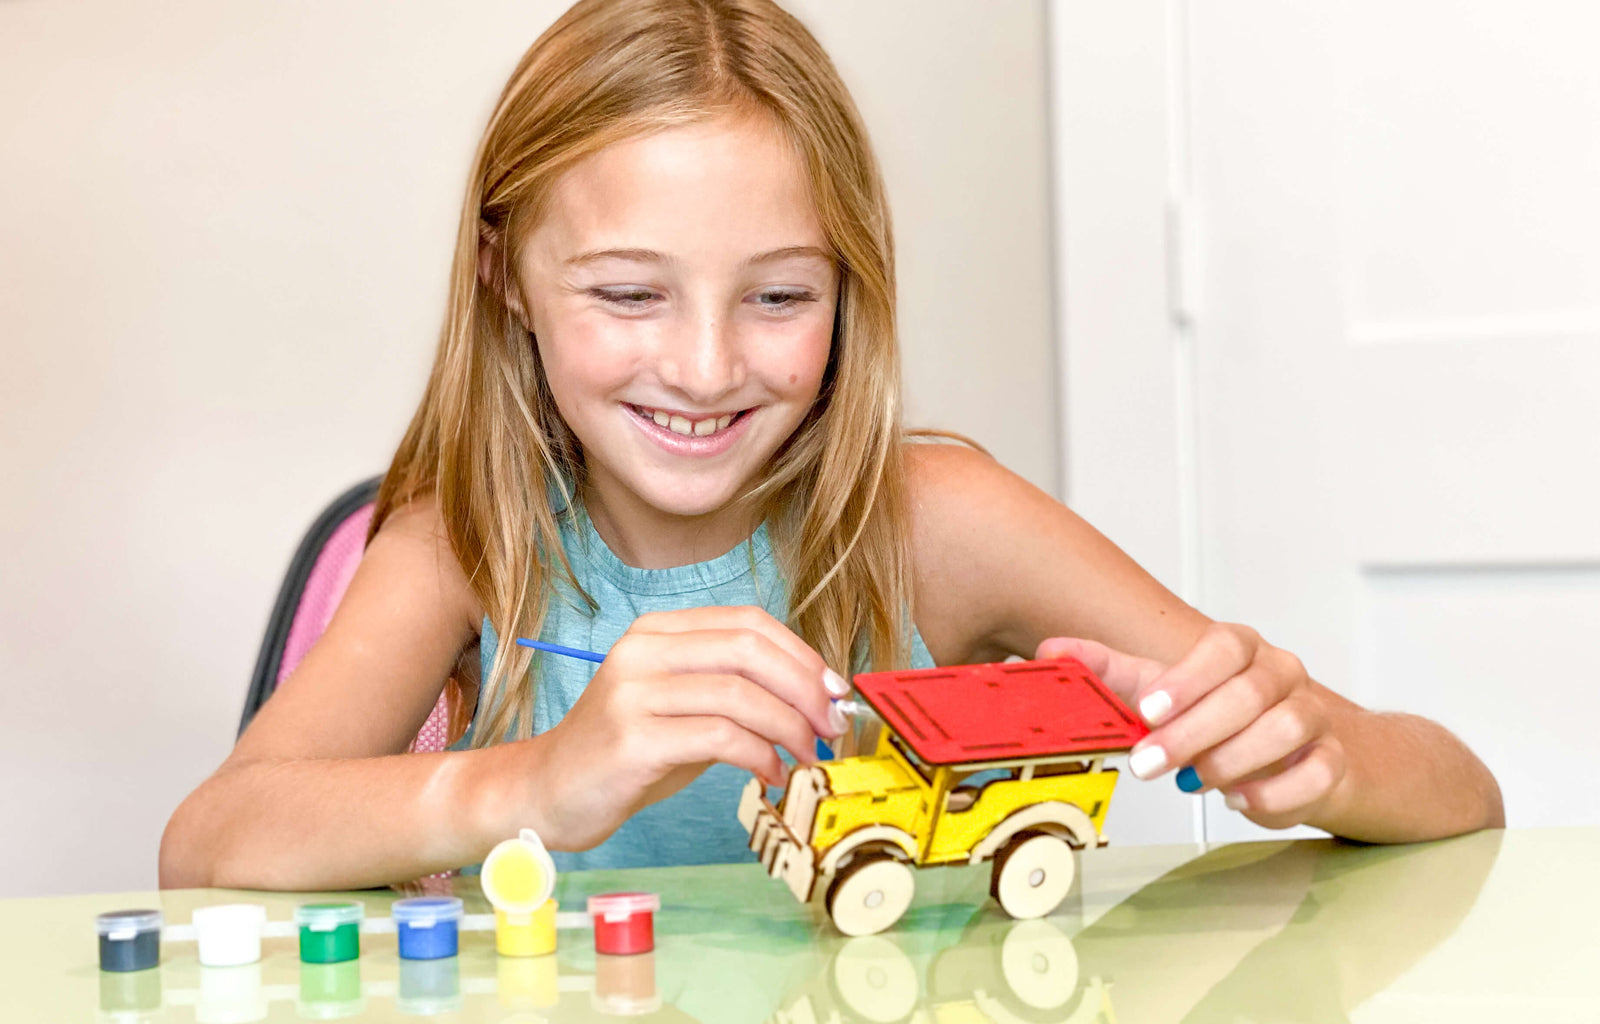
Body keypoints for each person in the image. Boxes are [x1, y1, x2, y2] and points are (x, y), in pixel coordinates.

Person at [159, 0, 1502, 890]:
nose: (703, 366)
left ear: (851, 291)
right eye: (629, 293)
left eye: (781, 296)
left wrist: (1316, 746)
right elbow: (208, 842)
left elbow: (1463, 795)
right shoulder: (467, 544)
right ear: (506, 278)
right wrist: (542, 783)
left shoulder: (938, 519)